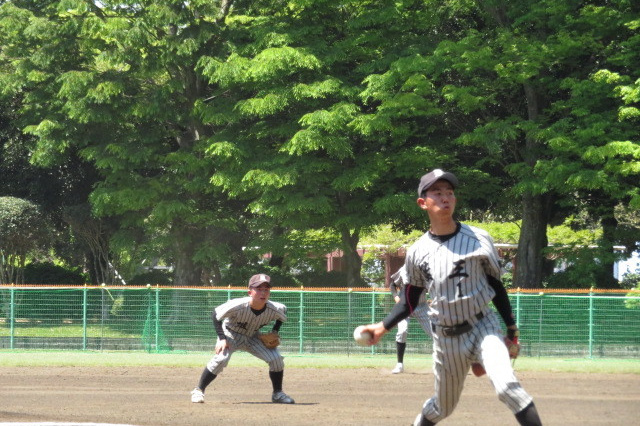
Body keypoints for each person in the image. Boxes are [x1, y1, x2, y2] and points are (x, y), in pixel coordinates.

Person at [361, 169, 542, 426]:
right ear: (423, 203)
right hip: (446, 338)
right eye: (437, 193)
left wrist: (512, 328)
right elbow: (410, 300)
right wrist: (382, 327)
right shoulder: (418, 251)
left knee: (508, 388)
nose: (445, 197)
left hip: (484, 326)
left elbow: (496, 285)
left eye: (450, 192)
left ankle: (481, 359)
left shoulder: (479, 238)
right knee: (442, 407)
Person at [190, 273, 295, 404]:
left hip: (253, 336)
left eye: (266, 289)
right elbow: (215, 314)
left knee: (276, 359)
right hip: (230, 334)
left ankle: (278, 394)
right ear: (250, 292)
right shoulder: (238, 305)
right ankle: (199, 390)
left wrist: (274, 331)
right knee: (221, 359)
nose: (263, 292)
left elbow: (282, 314)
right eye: (259, 289)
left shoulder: (275, 308)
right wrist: (222, 338)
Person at [389, 266, 431, 374]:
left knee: (435, 332)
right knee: (402, 331)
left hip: (421, 306)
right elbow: (393, 284)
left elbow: (435, 287)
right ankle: (399, 364)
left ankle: (445, 362)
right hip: (404, 306)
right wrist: (395, 296)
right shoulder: (404, 269)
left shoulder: (426, 270)